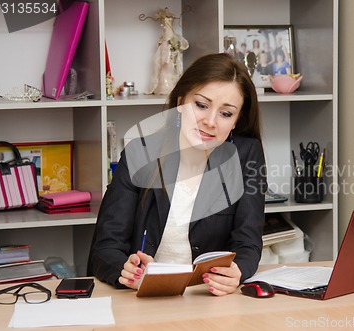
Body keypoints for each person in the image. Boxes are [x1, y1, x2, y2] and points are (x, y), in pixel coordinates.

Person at [88, 53, 267, 297]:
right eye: (201, 105)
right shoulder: (141, 153)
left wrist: (238, 271)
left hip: (207, 299)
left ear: (236, 121)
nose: (210, 121)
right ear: (181, 102)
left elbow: (248, 242)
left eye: (226, 113)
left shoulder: (246, 154)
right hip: (141, 300)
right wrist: (125, 270)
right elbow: (106, 246)